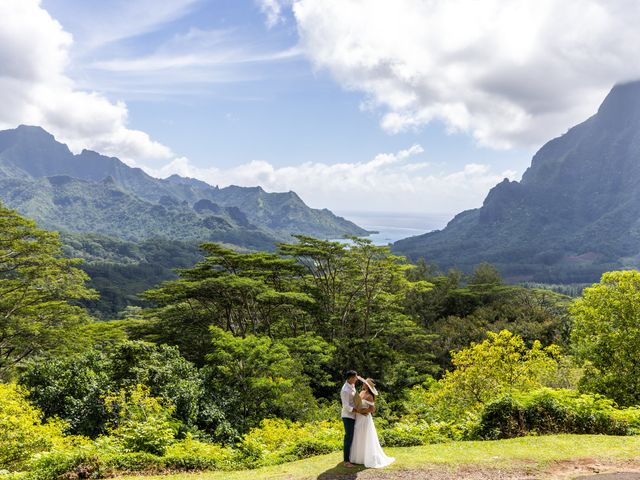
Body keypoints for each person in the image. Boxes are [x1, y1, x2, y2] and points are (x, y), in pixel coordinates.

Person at [349, 376, 395, 468]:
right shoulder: (361, 392)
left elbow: (372, 409)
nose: (363, 384)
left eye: (364, 383)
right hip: (358, 418)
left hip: (365, 419)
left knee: (365, 437)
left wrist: (361, 411)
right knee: (358, 436)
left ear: (367, 385)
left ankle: (366, 457)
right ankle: (358, 458)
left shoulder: (370, 396)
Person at [340, 370, 369, 467]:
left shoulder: (352, 385)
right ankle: (346, 461)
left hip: (354, 415)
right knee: (348, 437)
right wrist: (359, 411)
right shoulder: (345, 390)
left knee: (353, 436)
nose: (356, 379)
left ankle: (351, 457)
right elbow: (346, 406)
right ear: (350, 378)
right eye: (355, 378)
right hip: (348, 416)